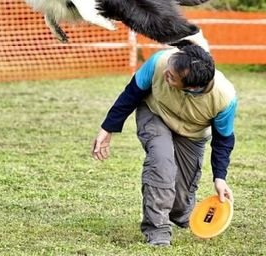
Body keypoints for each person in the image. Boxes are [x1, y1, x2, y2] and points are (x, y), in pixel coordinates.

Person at [91, 44, 237, 247]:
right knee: (162, 163)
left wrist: (220, 178)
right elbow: (131, 93)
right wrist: (107, 129)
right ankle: (157, 230)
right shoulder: (160, 61)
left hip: (192, 132)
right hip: (155, 113)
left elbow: (223, 139)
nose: (166, 73)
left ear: (191, 87)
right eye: (169, 67)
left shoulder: (224, 99)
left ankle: (180, 213)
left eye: (172, 77)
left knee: (181, 199)